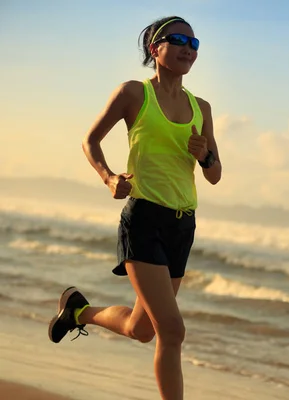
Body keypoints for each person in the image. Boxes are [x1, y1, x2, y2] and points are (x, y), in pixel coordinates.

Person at [47, 15, 221, 400]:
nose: (187, 49)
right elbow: (90, 141)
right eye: (177, 40)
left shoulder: (202, 107)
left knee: (143, 331)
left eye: (194, 44)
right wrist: (110, 178)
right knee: (172, 330)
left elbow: (215, 175)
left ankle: (79, 310)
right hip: (144, 220)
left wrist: (206, 155)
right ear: (154, 48)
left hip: (182, 226)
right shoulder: (134, 94)